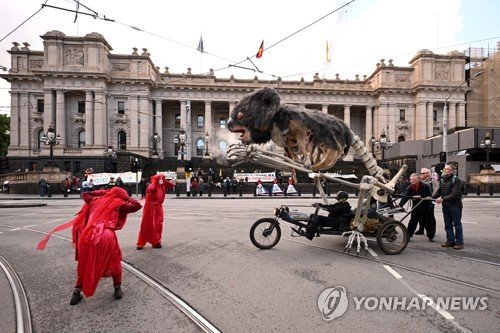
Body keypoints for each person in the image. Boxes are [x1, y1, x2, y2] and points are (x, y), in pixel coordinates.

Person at [37, 187, 141, 305]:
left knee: (86, 263)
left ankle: (76, 292)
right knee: (114, 261)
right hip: (106, 234)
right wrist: (125, 197)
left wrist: (103, 192)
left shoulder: (95, 201)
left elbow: (85, 194)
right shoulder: (120, 204)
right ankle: (117, 289)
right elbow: (137, 205)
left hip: (87, 235)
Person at [136, 174, 175, 250]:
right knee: (146, 224)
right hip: (150, 207)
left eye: (162, 179)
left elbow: (171, 185)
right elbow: (150, 188)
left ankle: (156, 242)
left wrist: (165, 180)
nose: (161, 180)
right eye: (160, 179)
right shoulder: (153, 185)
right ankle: (141, 242)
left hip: (158, 207)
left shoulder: (162, 186)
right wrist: (154, 183)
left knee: (158, 224)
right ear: (156, 180)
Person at [432, 164, 464, 250]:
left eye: (448, 169)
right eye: (445, 169)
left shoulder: (457, 180)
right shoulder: (442, 180)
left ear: (452, 171)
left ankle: (459, 243)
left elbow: (454, 194)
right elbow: (439, 191)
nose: (446, 171)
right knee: (447, 224)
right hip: (446, 206)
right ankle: (450, 241)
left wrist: (442, 200)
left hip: (455, 205)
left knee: (457, 224)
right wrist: (432, 197)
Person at [395, 173, 433, 241]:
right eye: (411, 179)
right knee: (412, 222)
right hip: (416, 207)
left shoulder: (425, 186)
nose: (411, 181)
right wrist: (400, 204)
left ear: (418, 179)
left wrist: (420, 197)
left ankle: (430, 236)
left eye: (413, 179)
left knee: (427, 223)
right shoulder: (410, 187)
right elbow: (405, 197)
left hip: (425, 208)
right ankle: (408, 236)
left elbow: (428, 196)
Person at [415, 168, 439, 235]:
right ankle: (421, 229)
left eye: (423, 173)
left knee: (430, 217)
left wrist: (431, 198)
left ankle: (432, 231)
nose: (421, 175)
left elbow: (436, 190)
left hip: (429, 201)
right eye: (420, 173)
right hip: (421, 201)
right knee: (420, 216)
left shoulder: (432, 181)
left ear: (427, 174)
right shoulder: (420, 181)